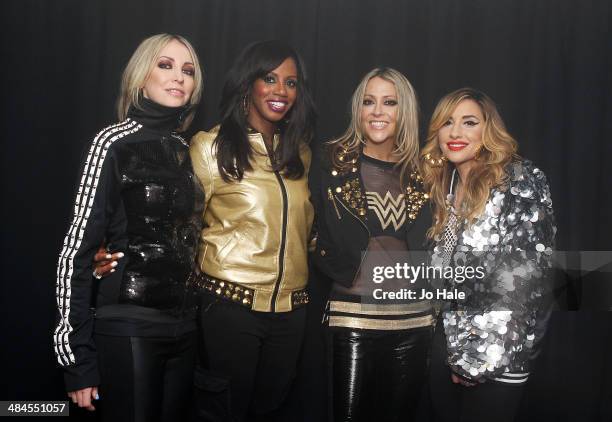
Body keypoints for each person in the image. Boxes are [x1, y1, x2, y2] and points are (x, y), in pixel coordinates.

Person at [54, 33, 204, 422]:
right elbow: (75, 253)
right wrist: (77, 359)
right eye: (165, 65)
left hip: (185, 329)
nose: (179, 77)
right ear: (141, 77)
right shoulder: (111, 143)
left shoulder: (187, 151)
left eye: (188, 70)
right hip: (129, 325)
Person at [188, 40, 317, 421]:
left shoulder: (302, 154)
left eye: (291, 83)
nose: (281, 91)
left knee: (271, 411)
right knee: (226, 411)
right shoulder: (210, 147)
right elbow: (182, 228)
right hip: (230, 308)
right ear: (248, 83)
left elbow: (307, 231)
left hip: (291, 314)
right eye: (270, 78)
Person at [421, 88, 556, 422]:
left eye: (469, 122)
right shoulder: (443, 186)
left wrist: (475, 361)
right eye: (447, 123)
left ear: (488, 130)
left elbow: (524, 280)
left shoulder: (521, 181)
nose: (455, 133)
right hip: (443, 346)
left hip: (498, 354)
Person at [310, 68, 434, 422]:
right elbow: (309, 227)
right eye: (369, 102)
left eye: (389, 102)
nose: (378, 112)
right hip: (352, 317)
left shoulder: (425, 171)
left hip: (413, 320)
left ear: (403, 111)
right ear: (358, 110)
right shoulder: (330, 161)